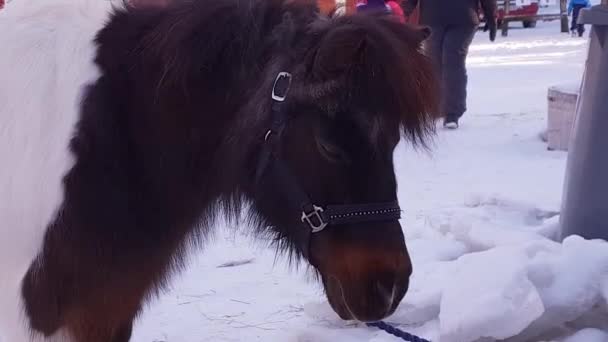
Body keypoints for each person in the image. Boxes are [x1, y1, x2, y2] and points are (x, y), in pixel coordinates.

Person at [404, 0, 497, 129]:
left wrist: (491, 17)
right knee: (434, 63)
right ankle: (436, 106)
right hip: (433, 19)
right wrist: (403, 13)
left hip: (462, 19)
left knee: (452, 60)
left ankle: (452, 113)